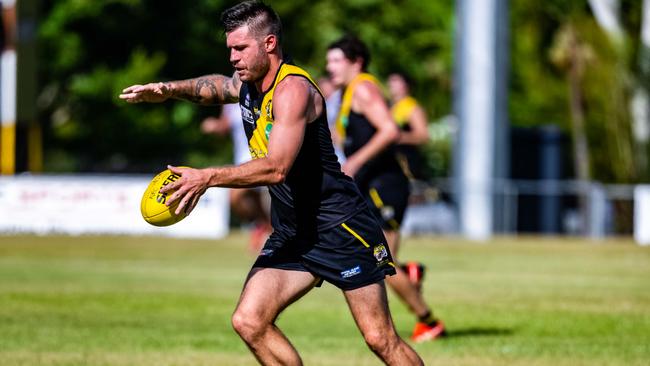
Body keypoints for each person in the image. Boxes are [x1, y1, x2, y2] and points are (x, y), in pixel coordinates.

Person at [119, 1, 423, 364]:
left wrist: (207, 176)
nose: (232, 57)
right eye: (229, 48)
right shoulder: (248, 84)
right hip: (295, 231)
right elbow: (218, 86)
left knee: (379, 339)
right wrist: (168, 89)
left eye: (240, 48)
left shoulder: (293, 90)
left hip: (339, 227)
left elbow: (277, 168)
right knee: (249, 321)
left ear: (269, 44)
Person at [326, 35, 446, 342]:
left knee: (382, 261)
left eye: (336, 60)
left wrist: (354, 162)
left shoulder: (364, 88)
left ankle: (429, 322)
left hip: (386, 187)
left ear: (356, 62)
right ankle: (410, 273)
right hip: (369, 187)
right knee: (367, 254)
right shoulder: (347, 94)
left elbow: (390, 131)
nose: (330, 67)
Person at [201, 103, 272, 253]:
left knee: (268, 203)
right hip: (242, 160)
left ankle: (268, 231)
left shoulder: (268, 92)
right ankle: (263, 227)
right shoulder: (231, 99)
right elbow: (225, 126)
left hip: (267, 159)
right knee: (239, 198)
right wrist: (215, 126)